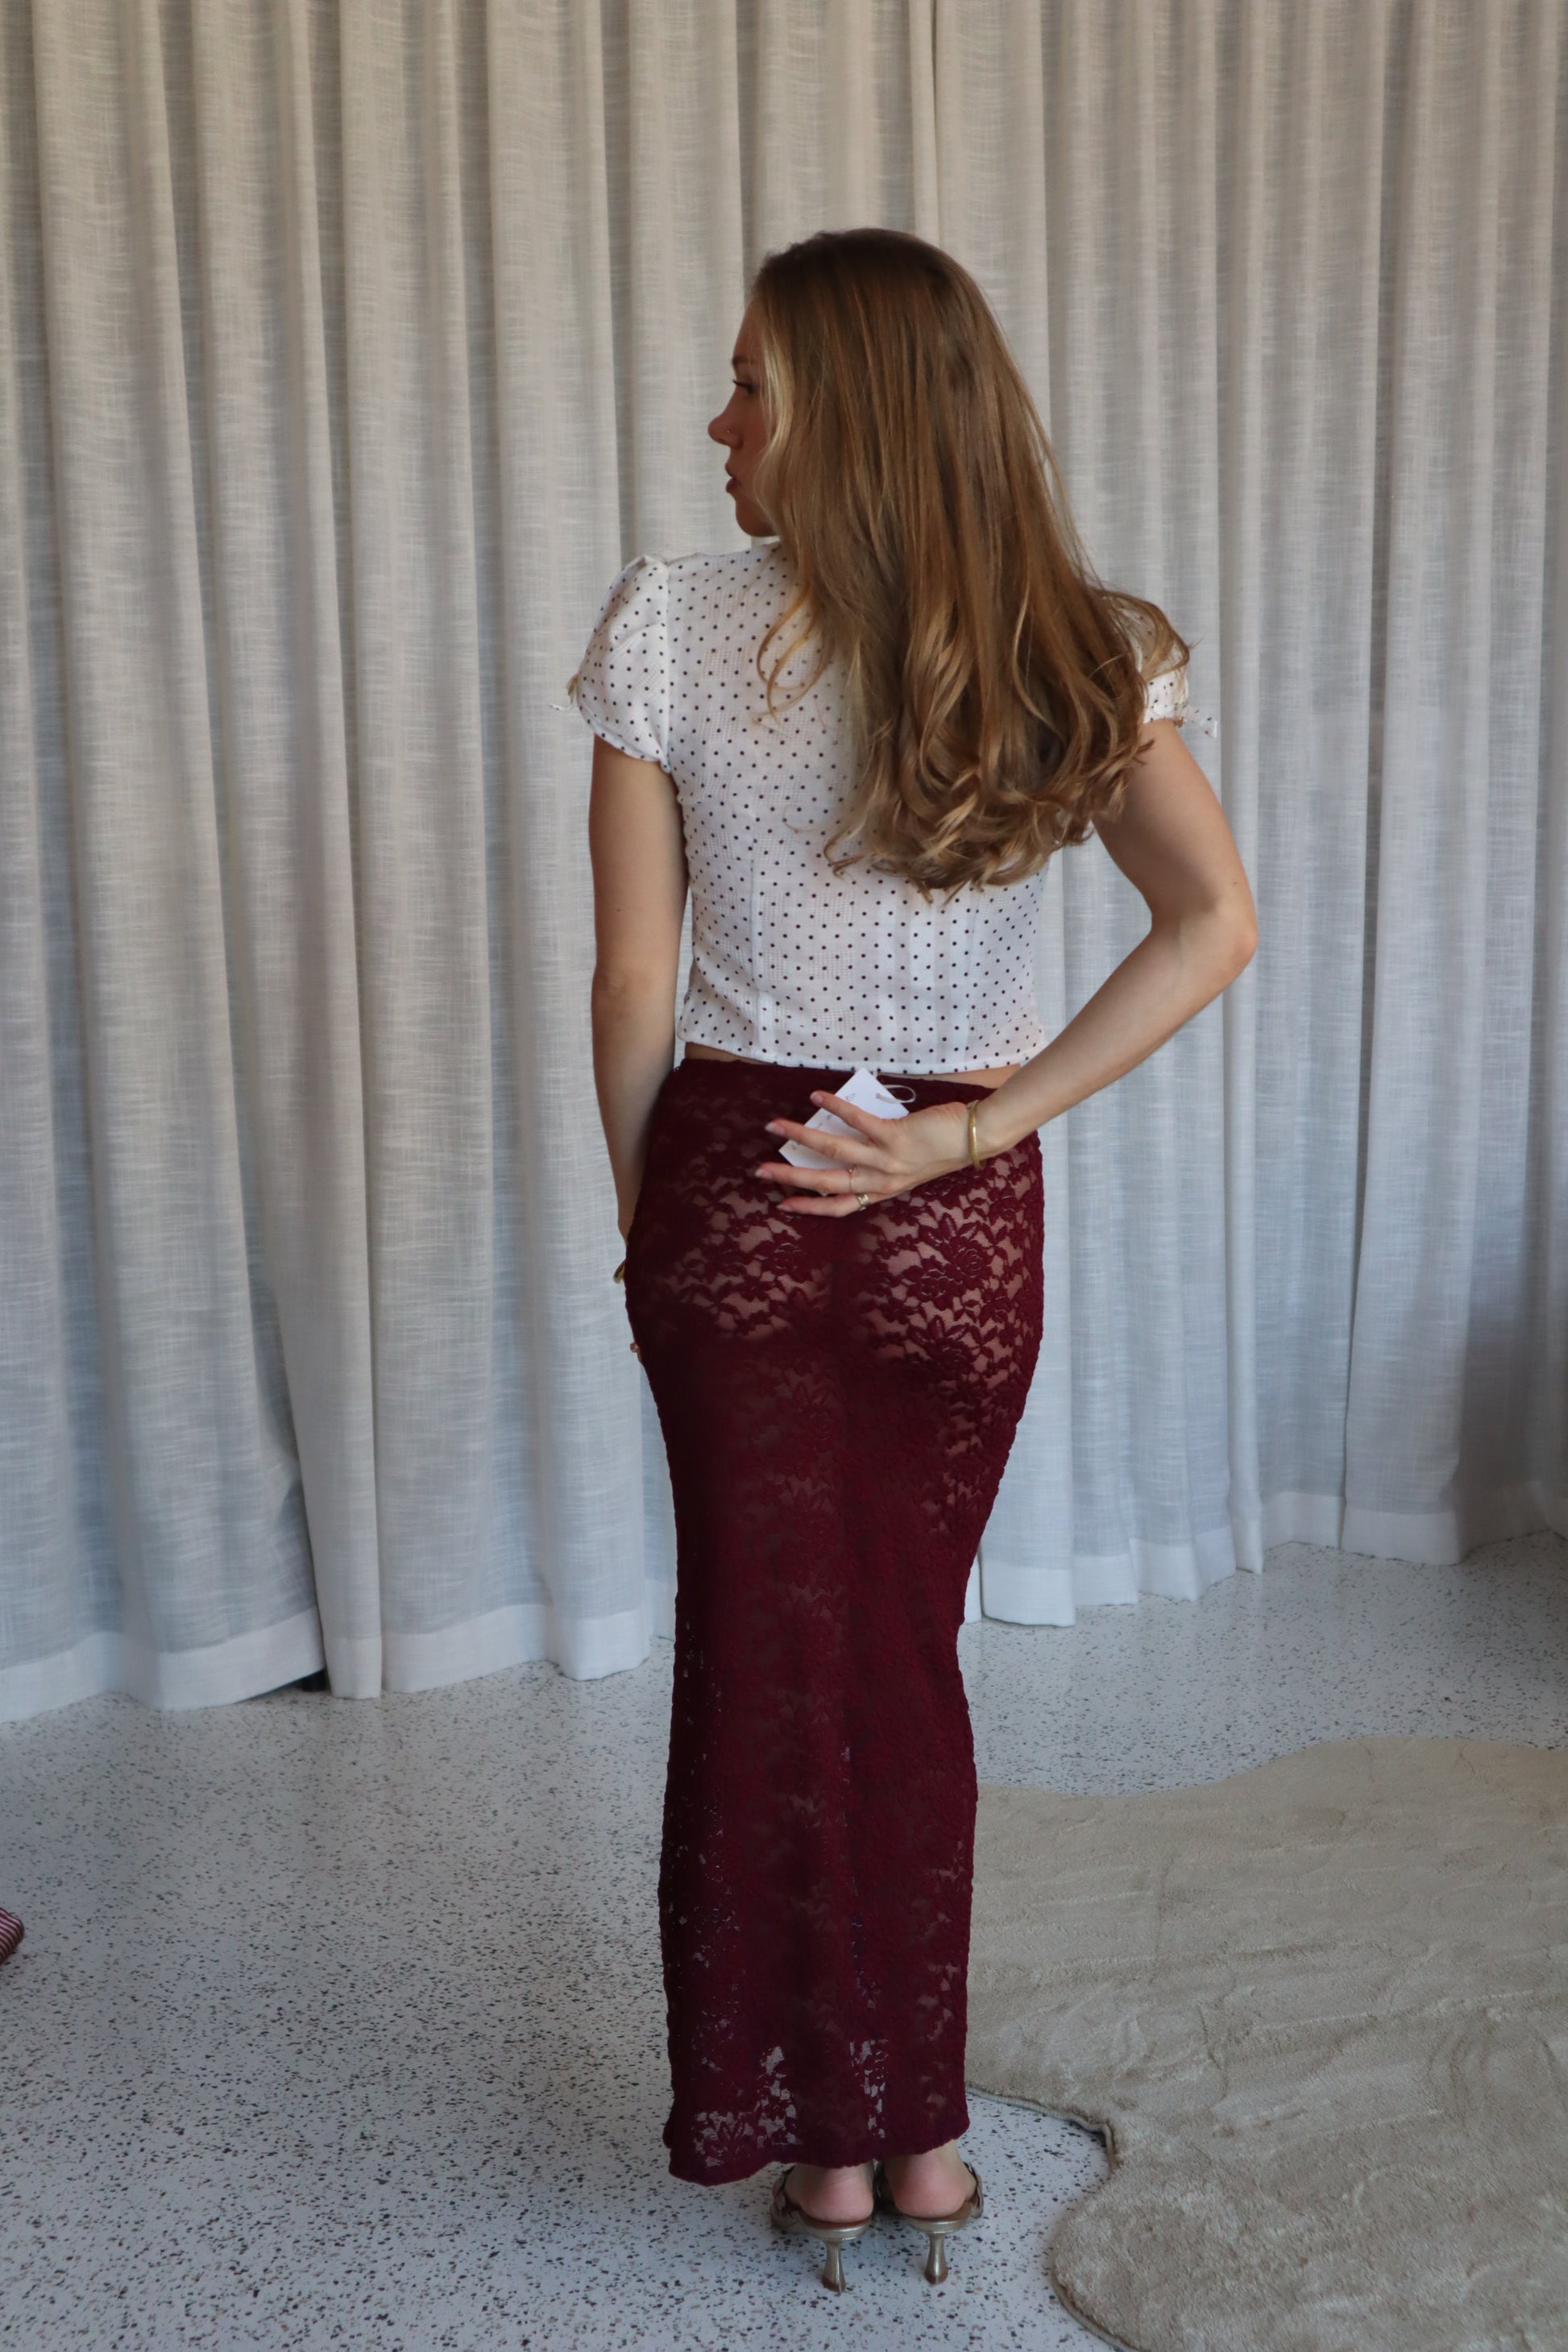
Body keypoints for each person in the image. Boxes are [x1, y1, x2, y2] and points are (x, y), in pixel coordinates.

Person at [568, 226, 1255, 2292]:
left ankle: (819, 2137)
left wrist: (653, 1222)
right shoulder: (1073, 641)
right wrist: (974, 1125)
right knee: (898, 1655)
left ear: (850, 412)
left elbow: (630, 983)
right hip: (956, 1204)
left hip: (742, 1181)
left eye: (750, 383)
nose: (717, 422)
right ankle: (918, 2128)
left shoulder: (673, 626)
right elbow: (1213, 920)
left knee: (771, 1660)